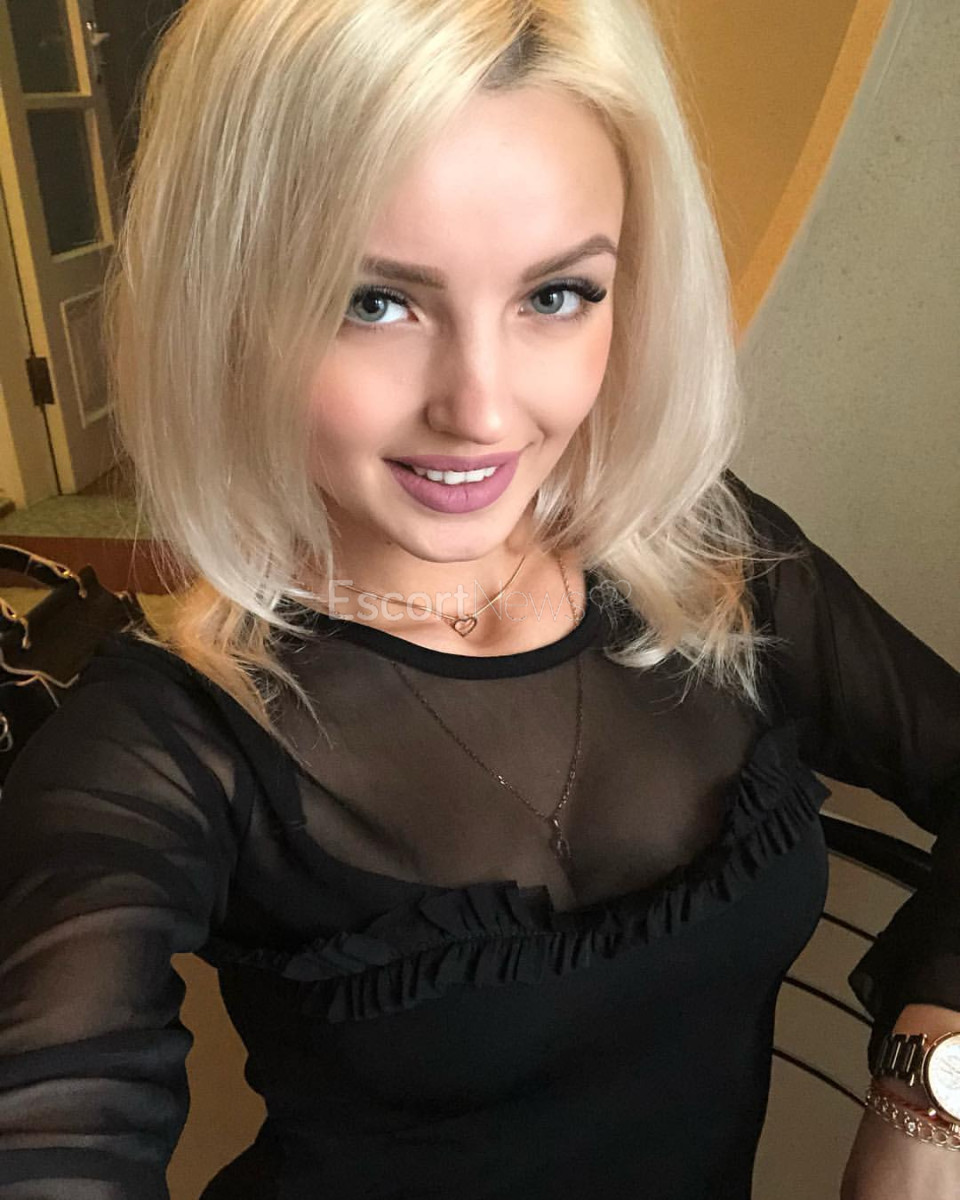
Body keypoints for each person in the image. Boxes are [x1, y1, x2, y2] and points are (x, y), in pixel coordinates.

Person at [0, 1, 957, 1196]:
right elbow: (53, 1125)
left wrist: (925, 1101)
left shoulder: (711, 560)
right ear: (230, 301)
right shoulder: (161, 742)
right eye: (374, 300)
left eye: (557, 295)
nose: (485, 410)